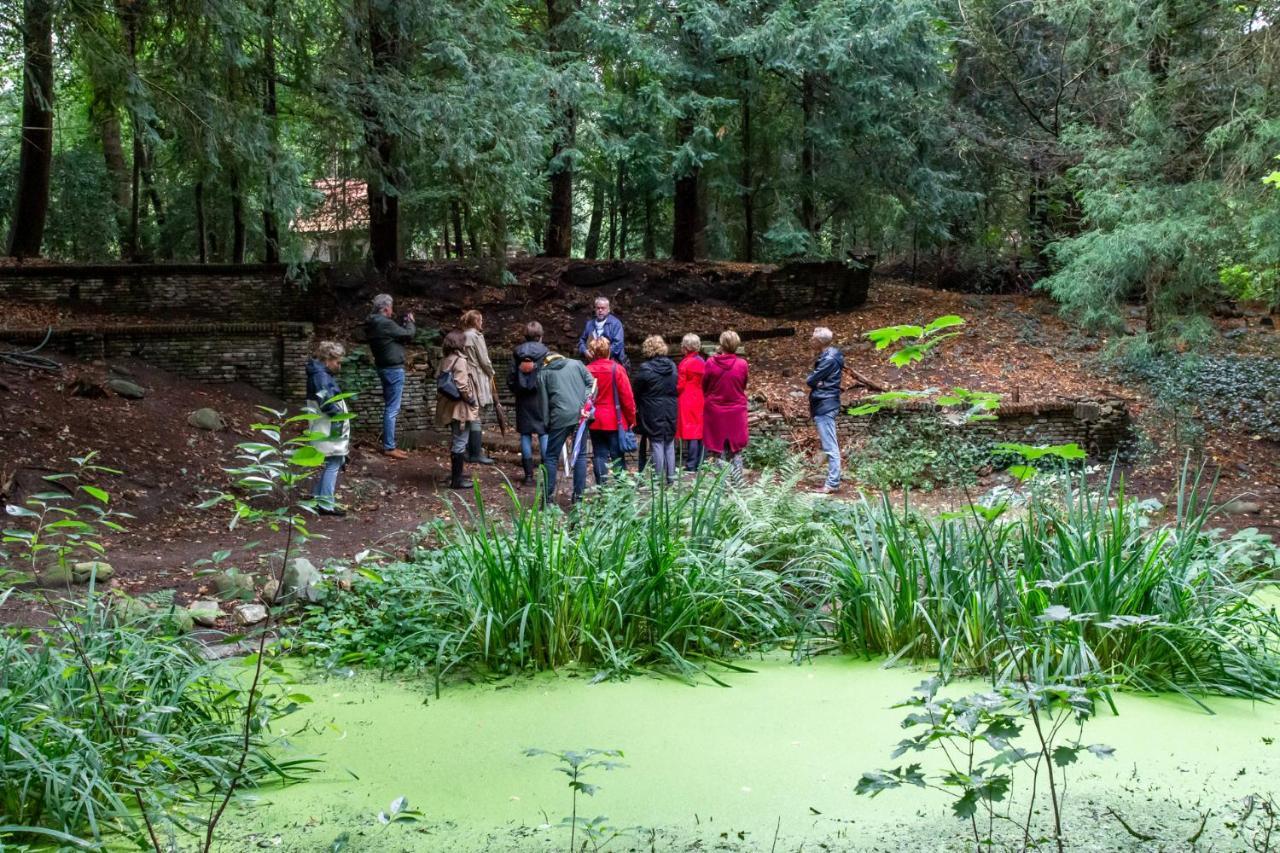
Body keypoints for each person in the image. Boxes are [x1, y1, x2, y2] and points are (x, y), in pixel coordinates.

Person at [537, 348, 596, 503]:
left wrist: (546, 423)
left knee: (551, 456)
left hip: (559, 418)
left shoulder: (543, 374)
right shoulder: (577, 364)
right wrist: (584, 404)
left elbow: (543, 403)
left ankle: (547, 498)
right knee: (581, 456)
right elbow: (593, 384)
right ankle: (578, 498)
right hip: (581, 416)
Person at [365, 293, 415, 460]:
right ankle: (389, 446)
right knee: (392, 409)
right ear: (386, 308)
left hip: (383, 367)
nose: (392, 311)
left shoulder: (373, 322)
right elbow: (408, 334)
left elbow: (395, 337)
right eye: (391, 308)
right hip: (393, 370)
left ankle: (389, 444)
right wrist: (410, 322)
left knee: (389, 408)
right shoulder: (384, 323)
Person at [306, 341, 351, 516]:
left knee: (333, 461)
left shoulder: (319, 373)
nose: (339, 366)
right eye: (337, 362)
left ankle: (318, 497)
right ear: (328, 359)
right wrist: (339, 415)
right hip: (330, 424)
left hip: (327, 423)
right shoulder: (320, 376)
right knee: (334, 461)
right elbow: (326, 403)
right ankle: (325, 504)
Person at [585, 337, 636, 485]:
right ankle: (620, 489)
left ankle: (602, 487)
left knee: (599, 455)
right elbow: (627, 397)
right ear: (608, 351)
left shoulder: (587, 370)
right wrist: (632, 418)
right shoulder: (617, 369)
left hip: (594, 419)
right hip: (615, 420)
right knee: (617, 456)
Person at [435, 329, 480, 490]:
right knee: (460, 441)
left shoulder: (445, 359)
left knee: (457, 439)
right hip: (460, 408)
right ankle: (457, 480)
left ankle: (456, 476)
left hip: (448, 406)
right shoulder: (460, 360)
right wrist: (471, 399)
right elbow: (462, 385)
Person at [702, 330, 750, 482]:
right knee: (736, 450)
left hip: (715, 411)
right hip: (736, 411)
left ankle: (721, 485)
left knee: (718, 450)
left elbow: (704, 385)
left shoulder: (710, 363)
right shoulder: (742, 364)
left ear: (721, 344)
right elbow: (743, 384)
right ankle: (738, 483)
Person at [631, 335, 678, 485]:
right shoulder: (672, 366)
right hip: (671, 408)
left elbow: (636, 391)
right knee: (669, 442)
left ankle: (658, 480)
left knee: (657, 442)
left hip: (652, 410)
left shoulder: (646, 368)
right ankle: (671, 478)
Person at [508, 321, 550, 485]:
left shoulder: (517, 353)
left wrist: (517, 390)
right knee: (544, 433)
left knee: (525, 434)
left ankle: (528, 477)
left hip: (523, 399)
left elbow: (511, 377)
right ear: (540, 335)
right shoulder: (546, 353)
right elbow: (550, 376)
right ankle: (547, 474)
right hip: (541, 398)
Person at [807, 326, 845, 494]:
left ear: (819, 341)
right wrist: (818, 382)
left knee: (830, 446)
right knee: (829, 445)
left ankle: (832, 483)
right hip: (825, 402)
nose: (811, 340)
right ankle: (832, 482)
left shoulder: (829, 359)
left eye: (813, 338)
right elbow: (816, 380)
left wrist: (817, 382)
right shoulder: (830, 355)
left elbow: (811, 380)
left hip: (825, 404)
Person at [460, 310, 496, 465]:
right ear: (476, 321)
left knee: (470, 413)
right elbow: (484, 359)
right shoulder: (475, 336)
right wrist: (491, 372)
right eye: (481, 320)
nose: (482, 323)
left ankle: (468, 451)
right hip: (477, 376)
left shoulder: (462, 335)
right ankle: (475, 453)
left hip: (465, 375)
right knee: (476, 413)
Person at [676, 333, 706, 472]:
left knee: (690, 431)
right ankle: (700, 461)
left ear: (686, 347)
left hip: (686, 398)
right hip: (700, 396)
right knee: (699, 429)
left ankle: (691, 464)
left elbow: (680, 385)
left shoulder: (685, 363)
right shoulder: (702, 361)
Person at [576, 296, 627, 365]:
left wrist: (602, 356)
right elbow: (582, 341)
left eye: (603, 308)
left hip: (613, 362)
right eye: (598, 308)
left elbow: (618, 345)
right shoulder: (589, 324)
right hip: (592, 362)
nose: (600, 310)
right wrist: (585, 351)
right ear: (595, 309)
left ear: (608, 309)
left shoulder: (616, 323)